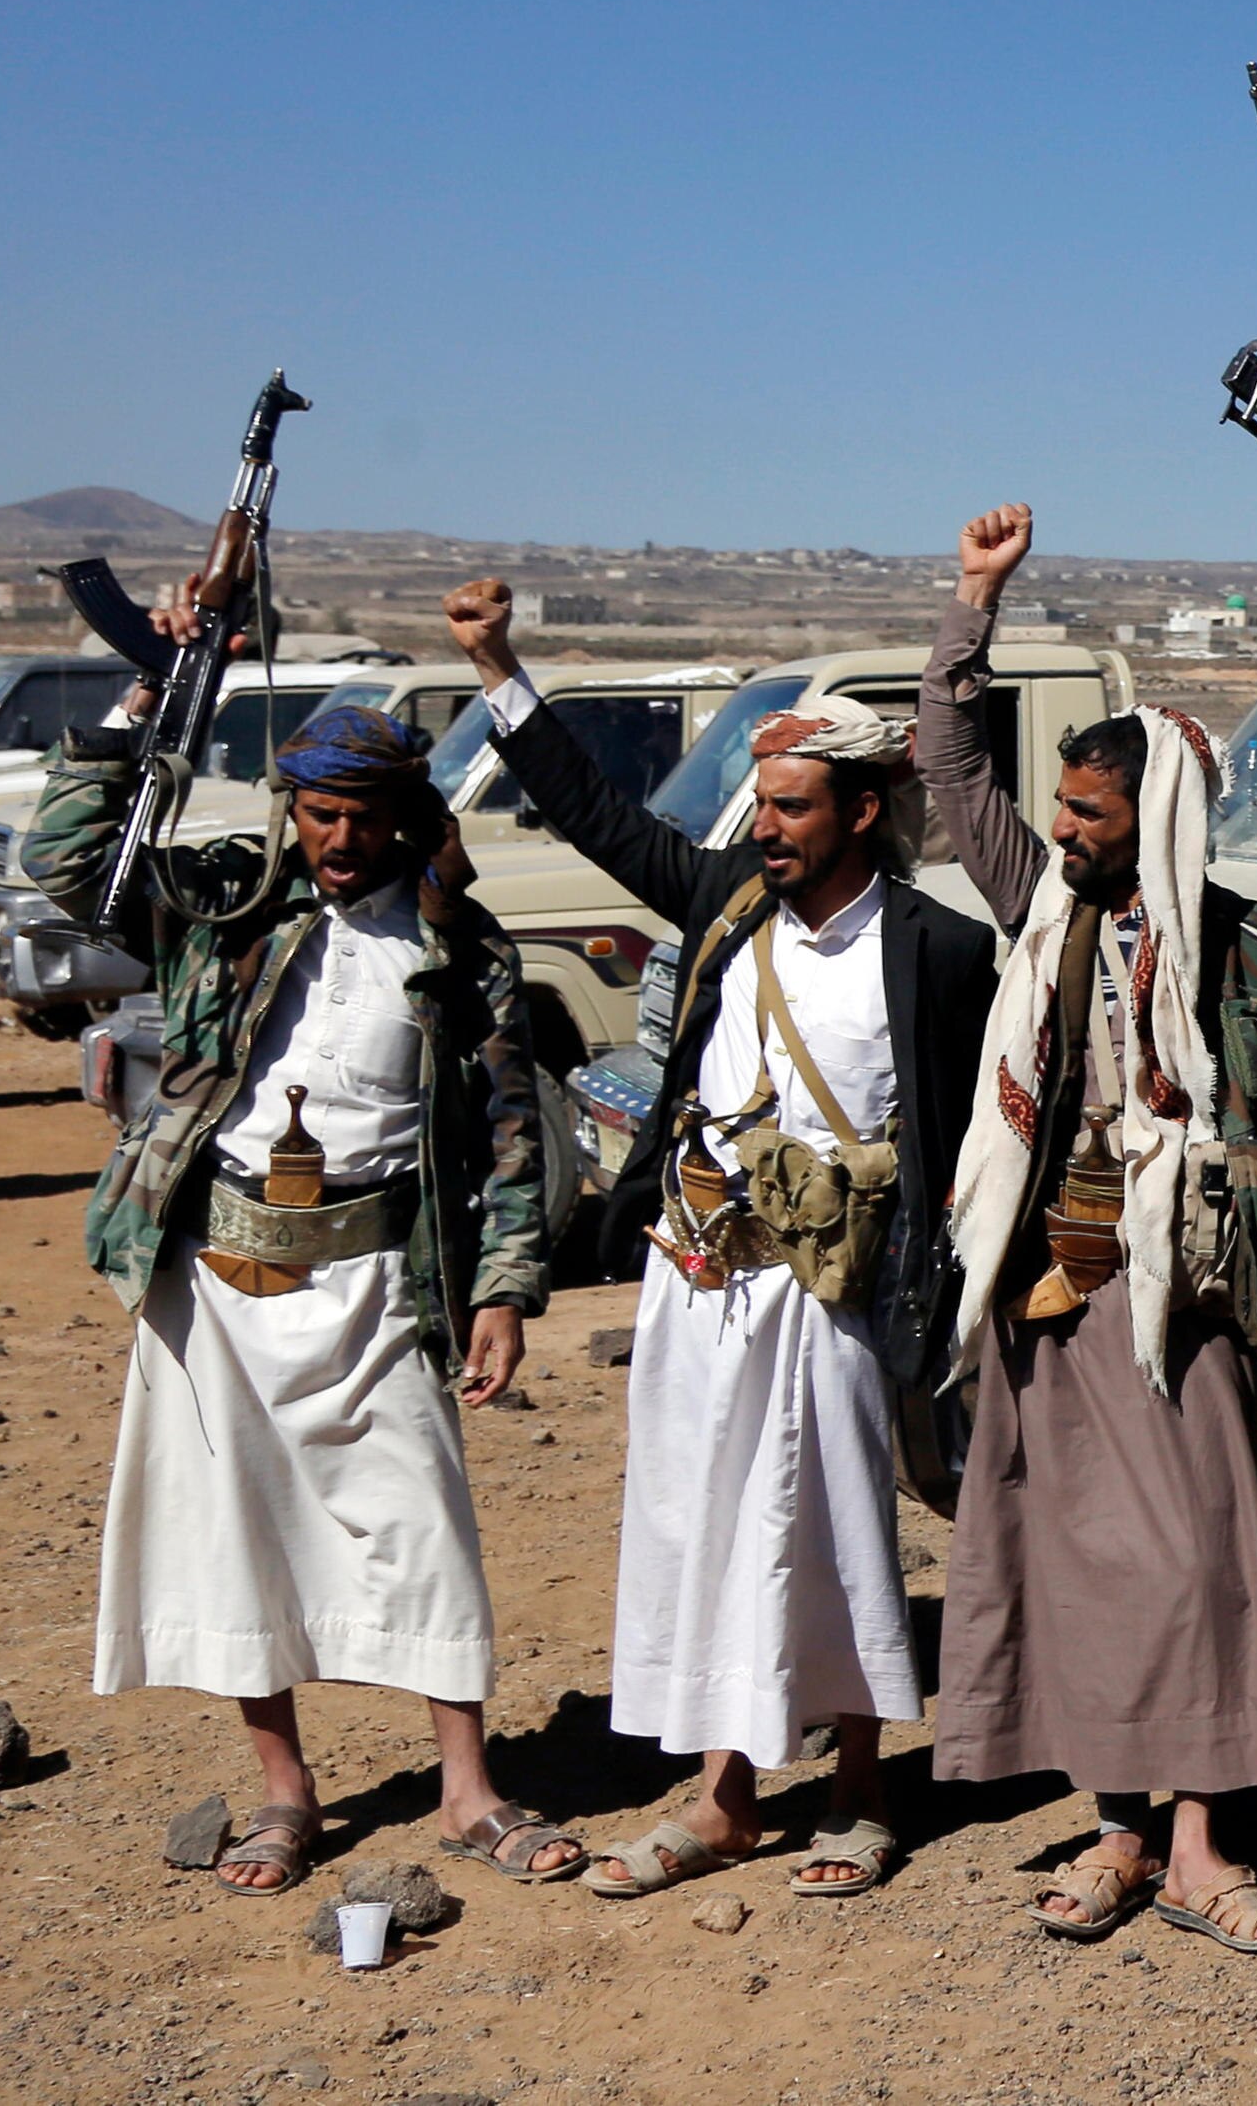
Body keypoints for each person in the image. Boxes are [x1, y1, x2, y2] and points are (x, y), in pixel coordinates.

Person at [438, 582, 1000, 1900]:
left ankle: (858, 1790)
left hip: (832, 1291)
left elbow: (978, 1127)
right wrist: (498, 665)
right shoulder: (725, 901)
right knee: (698, 1523)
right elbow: (595, 813)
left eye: (792, 808)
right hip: (698, 1275)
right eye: (762, 809)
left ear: (862, 810)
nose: (767, 829)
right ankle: (724, 1800)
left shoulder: (937, 951)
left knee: (829, 1527)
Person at [28, 666, 585, 1894]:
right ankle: (286, 1793)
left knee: (423, 1529)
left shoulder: (458, 951)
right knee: (236, 1534)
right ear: (292, 810)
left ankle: (467, 1790)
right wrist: (130, 717)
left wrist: (505, 1288)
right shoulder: (224, 910)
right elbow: (63, 864)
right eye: (320, 815)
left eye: (362, 819)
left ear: (404, 819)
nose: (339, 840)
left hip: (380, 1280)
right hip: (216, 1284)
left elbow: (508, 1133)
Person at [917, 507, 1257, 1957]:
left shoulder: (1252, 947)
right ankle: (1115, 1832)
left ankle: (1200, 1848)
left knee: (1201, 1563)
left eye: (1090, 814)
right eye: (1060, 809)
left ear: (1154, 817)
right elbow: (949, 765)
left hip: (1199, 1300)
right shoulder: (1037, 911)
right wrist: (975, 602)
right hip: (1057, 1285)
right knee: (1079, 1565)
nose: (1063, 832)